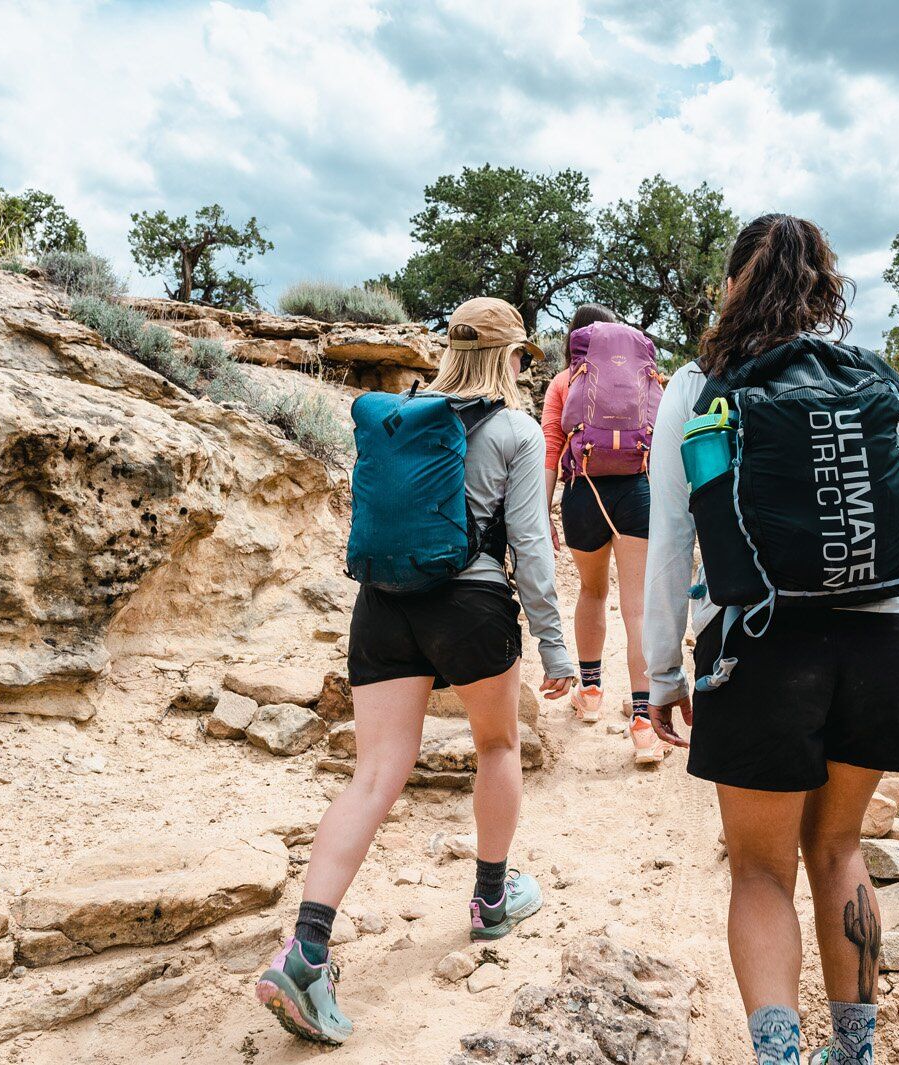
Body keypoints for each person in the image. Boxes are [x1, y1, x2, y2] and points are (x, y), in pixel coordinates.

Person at [642, 215, 899, 1065]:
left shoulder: (701, 382)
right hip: (882, 643)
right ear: (824, 289)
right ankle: (857, 1052)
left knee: (761, 871)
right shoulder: (870, 378)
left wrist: (661, 673)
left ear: (731, 284)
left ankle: (779, 1056)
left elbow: (670, 540)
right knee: (841, 848)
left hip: (760, 644)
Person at [255, 297, 577, 1045]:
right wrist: (559, 652)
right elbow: (529, 547)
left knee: (373, 775)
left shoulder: (399, 419)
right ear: (512, 358)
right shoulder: (516, 430)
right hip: (469, 605)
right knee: (497, 746)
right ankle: (491, 902)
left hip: (384, 605)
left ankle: (305, 951)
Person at [541, 304, 667, 765]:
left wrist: (543, 510)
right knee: (637, 609)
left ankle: (590, 693)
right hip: (637, 491)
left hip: (582, 492)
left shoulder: (565, 382)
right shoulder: (645, 376)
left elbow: (551, 450)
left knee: (593, 592)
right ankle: (642, 724)